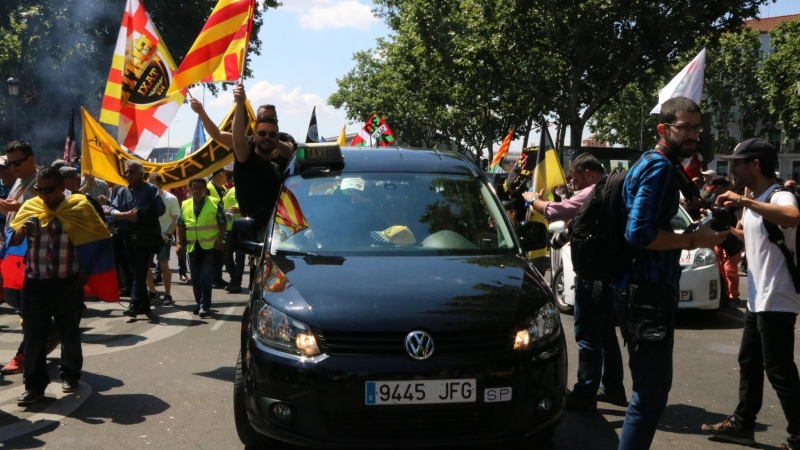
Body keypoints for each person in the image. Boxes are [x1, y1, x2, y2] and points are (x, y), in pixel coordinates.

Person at [614, 97, 729, 450]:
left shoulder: (655, 164)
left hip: (642, 291)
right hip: (646, 293)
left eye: (697, 127)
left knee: (649, 394)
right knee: (650, 396)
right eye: (685, 127)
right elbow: (640, 232)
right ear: (664, 129)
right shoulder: (659, 168)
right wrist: (696, 238)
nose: (694, 134)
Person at [702, 138, 800, 450]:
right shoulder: (755, 198)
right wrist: (725, 226)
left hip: (779, 297)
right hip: (759, 298)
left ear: (755, 165)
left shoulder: (781, 194)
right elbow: (750, 235)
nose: (731, 168)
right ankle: (743, 424)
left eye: (737, 162)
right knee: (749, 361)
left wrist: (745, 203)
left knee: (779, 370)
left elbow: (792, 217)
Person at [528, 153, 628, 411]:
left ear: (587, 173)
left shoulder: (595, 191)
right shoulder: (612, 190)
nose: (573, 185)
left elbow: (556, 210)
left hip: (592, 276)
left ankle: (585, 393)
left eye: (575, 179)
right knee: (606, 334)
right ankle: (614, 388)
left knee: (587, 336)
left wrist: (534, 200)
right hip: (608, 274)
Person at [10, 167, 108, 405]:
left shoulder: (80, 207)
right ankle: (34, 387)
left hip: (67, 283)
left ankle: (70, 375)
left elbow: (97, 240)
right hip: (34, 283)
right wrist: (22, 230)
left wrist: (85, 272)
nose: (43, 194)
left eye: (49, 190)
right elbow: (12, 242)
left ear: (62, 187)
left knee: (69, 333)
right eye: (38, 189)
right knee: (33, 337)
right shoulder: (31, 207)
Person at [231, 83, 296, 235]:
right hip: (261, 236)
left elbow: (290, 152)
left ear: (278, 138)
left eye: (272, 135)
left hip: (284, 232)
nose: (267, 137)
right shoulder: (246, 161)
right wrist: (240, 104)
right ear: (254, 136)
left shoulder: (277, 168)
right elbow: (237, 139)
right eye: (262, 133)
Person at [0, 140, 41, 376]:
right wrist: (8, 208)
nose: (12, 167)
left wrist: (19, 206)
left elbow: (48, 208)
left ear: (30, 160)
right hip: (14, 249)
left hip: (32, 253)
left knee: (25, 304)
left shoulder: (40, 181)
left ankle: (25, 355)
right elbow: (14, 212)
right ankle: (47, 331)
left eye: (16, 162)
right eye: (9, 163)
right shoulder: (17, 181)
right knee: (16, 299)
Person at [108, 160, 165, 318]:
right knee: (134, 270)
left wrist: (140, 212)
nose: (128, 174)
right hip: (127, 235)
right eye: (126, 171)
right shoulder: (122, 191)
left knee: (140, 269)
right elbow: (111, 210)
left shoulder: (150, 189)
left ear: (141, 174)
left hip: (145, 236)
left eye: (132, 172)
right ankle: (145, 304)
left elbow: (160, 208)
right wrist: (124, 215)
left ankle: (134, 303)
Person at [176, 178, 226, 318]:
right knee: (195, 277)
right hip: (193, 246)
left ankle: (205, 305)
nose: (196, 191)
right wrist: (179, 243)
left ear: (205, 189)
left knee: (205, 276)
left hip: (209, 246)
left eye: (199, 188)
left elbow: (223, 222)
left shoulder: (214, 203)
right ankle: (199, 302)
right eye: (193, 188)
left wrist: (220, 239)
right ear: (190, 189)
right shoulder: (185, 204)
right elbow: (180, 224)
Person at [145, 173, 180, 306]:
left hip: (163, 236)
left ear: (160, 186)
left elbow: (175, 220)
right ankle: (153, 292)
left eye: (152, 186)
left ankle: (168, 294)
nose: (149, 188)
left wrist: (167, 234)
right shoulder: (146, 197)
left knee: (163, 265)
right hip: (148, 236)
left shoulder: (171, 199)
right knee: (145, 266)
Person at [207, 169, 229, 289]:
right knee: (213, 255)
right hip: (211, 226)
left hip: (221, 225)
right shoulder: (208, 188)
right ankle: (213, 279)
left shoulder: (224, 189)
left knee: (220, 255)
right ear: (217, 176)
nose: (226, 176)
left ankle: (218, 278)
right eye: (224, 174)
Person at [223, 184, 245, 293]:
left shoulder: (247, 191)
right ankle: (233, 278)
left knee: (239, 257)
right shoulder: (228, 191)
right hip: (227, 228)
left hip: (240, 228)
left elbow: (254, 208)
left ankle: (237, 282)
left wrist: (241, 210)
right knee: (227, 255)